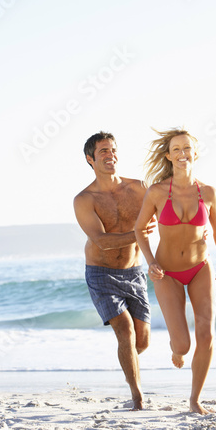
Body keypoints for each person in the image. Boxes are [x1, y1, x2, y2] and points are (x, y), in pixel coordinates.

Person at [135, 127, 216, 415]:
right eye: (176, 149)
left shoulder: (210, 193)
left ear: (195, 153)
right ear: (168, 156)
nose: (182, 154)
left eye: (187, 148)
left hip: (200, 267)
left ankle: (195, 400)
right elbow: (139, 229)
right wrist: (150, 261)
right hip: (167, 273)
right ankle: (175, 349)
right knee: (184, 344)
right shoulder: (157, 192)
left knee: (207, 334)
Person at [73, 131, 156, 410]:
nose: (110, 156)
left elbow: (166, 217)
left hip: (134, 272)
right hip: (102, 272)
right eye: (103, 152)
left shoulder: (140, 188)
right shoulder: (84, 199)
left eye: (113, 150)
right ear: (90, 159)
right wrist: (139, 234)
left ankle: (127, 365)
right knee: (125, 330)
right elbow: (101, 241)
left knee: (140, 342)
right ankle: (137, 397)